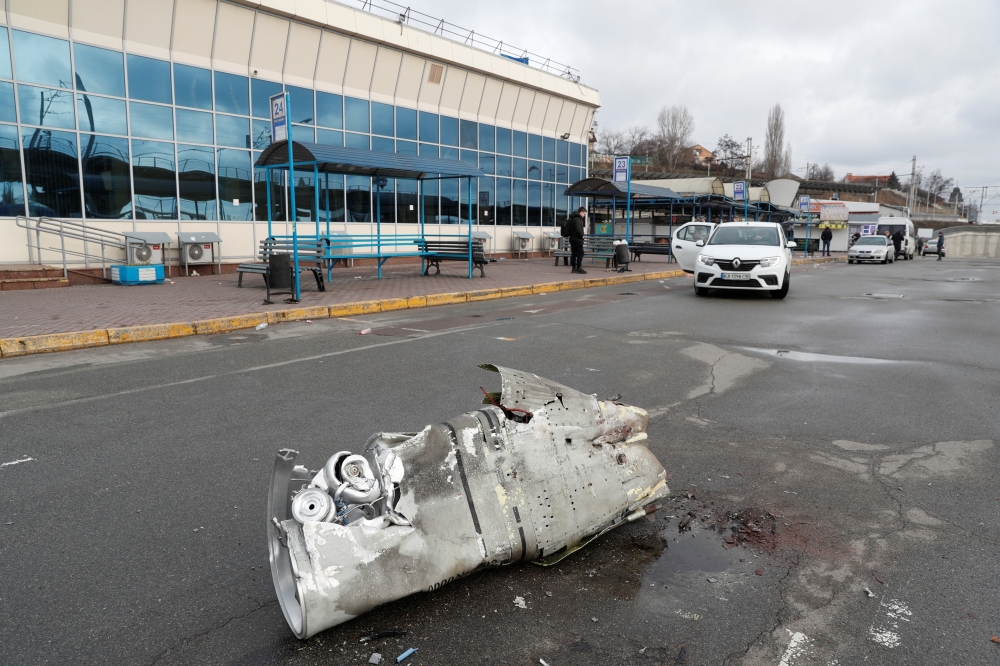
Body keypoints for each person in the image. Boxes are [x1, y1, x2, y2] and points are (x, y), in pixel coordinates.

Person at [568, 207, 587, 274]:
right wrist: (582, 236)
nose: (584, 215)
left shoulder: (573, 218)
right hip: (577, 239)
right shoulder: (578, 219)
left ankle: (574, 268)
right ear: (581, 212)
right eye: (584, 213)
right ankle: (579, 267)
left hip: (572, 238)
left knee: (574, 253)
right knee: (580, 253)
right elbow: (578, 229)